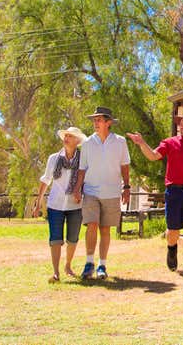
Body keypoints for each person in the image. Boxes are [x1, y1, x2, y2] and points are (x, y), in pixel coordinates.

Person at [126, 110, 183, 278]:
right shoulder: (170, 142)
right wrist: (141, 143)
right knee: (173, 230)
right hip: (174, 191)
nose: (181, 125)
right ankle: (172, 248)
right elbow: (153, 156)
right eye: (180, 122)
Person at [73, 106, 131, 280]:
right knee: (92, 224)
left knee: (105, 229)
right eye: (94, 120)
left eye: (98, 120)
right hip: (91, 190)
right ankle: (89, 263)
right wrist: (77, 188)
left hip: (112, 192)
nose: (95, 123)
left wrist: (126, 186)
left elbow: (125, 165)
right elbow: (82, 169)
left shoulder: (120, 142)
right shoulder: (88, 143)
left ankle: (102, 265)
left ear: (108, 122)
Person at [33, 126, 88, 283]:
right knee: (55, 238)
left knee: (73, 238)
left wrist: (81, 193)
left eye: (71, 136)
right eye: (66, 135)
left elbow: (86, 179)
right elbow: (45, 180)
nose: (67, 138)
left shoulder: (83, 159)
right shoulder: (54, 159)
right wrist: (38, 203)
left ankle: (68, 265)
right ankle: (56, 272)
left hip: (75, 205)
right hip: (55, 204)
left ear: (77, 141)